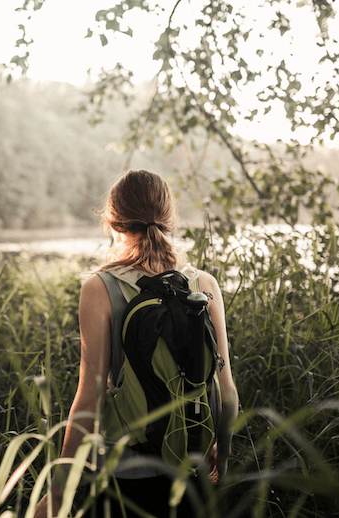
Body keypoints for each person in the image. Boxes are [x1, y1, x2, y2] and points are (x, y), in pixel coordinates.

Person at [34, 169, 239, 518]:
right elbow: (227, 392)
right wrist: (223, 453)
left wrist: (58, 491)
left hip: (123, 471)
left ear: (113, 223)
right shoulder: (204, 285)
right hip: (191, 466)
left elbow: (89, 400)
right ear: (169, 219)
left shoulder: (101, 288)